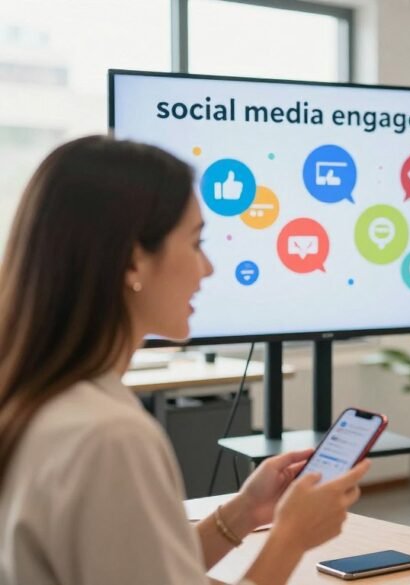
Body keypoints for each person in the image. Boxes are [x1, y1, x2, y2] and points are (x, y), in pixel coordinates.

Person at [0, 136, 370, 585]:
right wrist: (290, 537)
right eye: (196, 243)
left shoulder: (38, 400)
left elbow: (140, 571)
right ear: (133, 261)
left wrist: (243, 512)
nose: (208, 268)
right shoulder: (110, 437)